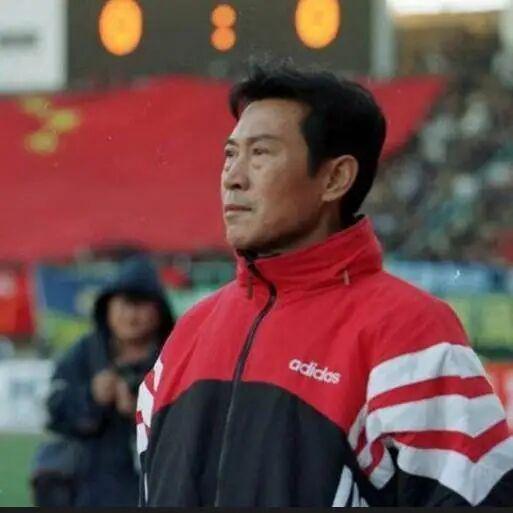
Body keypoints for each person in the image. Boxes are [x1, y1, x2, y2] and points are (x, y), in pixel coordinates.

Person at [136, 64, 513, 507]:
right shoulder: (189, 333)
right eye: (230, 154)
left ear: (335, 179)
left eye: (260, 153)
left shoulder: (411, 334)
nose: (233, 176)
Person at [32, 257, 174, 507]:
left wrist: (143, 414)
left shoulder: (173, 356)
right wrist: (92, 397)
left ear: (159, 311)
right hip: (85, 490)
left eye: (140, 304)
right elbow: (53, 408)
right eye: (123, 304)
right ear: (106, 308)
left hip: (150, 490)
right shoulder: (85, 352)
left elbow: (193, 423)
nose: (131, 315)